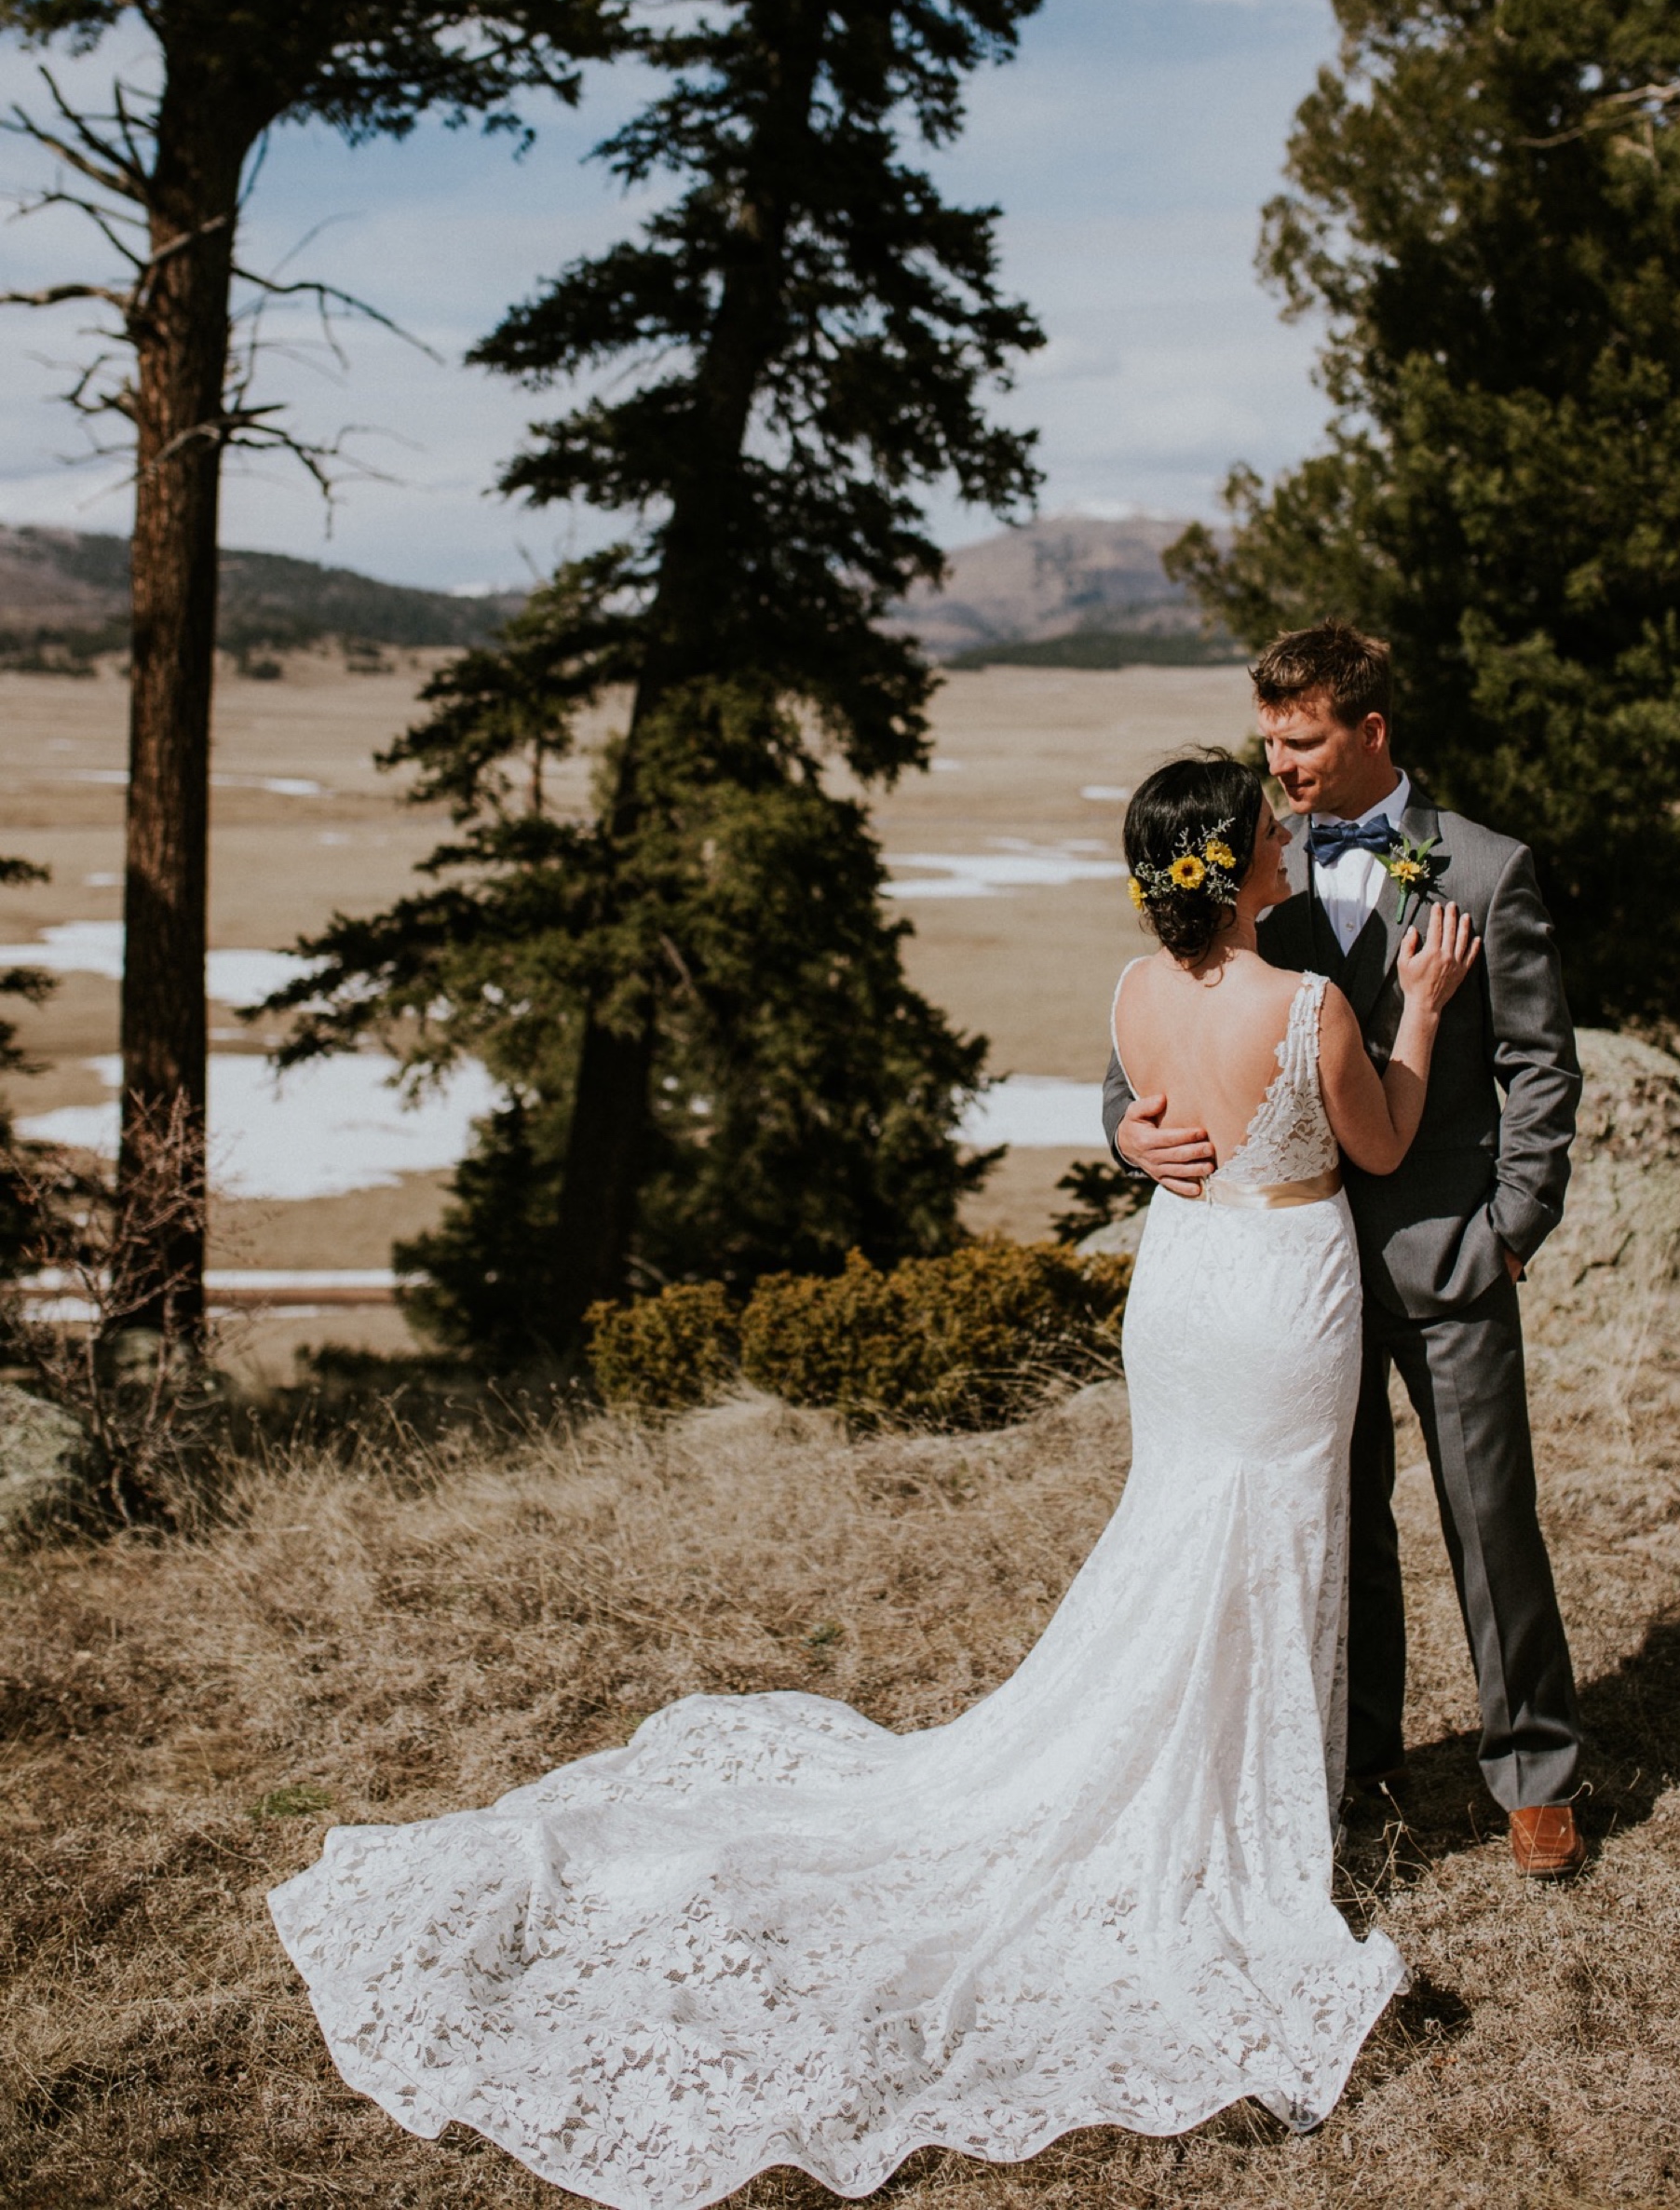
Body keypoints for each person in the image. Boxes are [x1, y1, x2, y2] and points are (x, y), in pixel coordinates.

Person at [270, 749, 1477, 2205]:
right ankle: (1232, 1812)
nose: (1288, 834)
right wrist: (1419, 1005)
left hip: (1182, 1293)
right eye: (1267, 828)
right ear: (1230, 866)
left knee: (1178, 1536)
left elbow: (1152, 1111)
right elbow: (1385, 1135)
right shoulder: (1313, 1006)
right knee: (1266, 1545)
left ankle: (1200, 1774)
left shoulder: (1129, 993)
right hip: (1282, 1292)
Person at [1104, 620, 1586, 1878]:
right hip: (1295, 1281)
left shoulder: (1485, 869)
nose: (1280, 764)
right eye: (1268, 738)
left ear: (1371, 729)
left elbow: (1542, 1066)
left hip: (1447, 1256)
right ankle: (1363, 1763)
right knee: (1340, 1527)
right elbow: (1148, 1039)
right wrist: (1127, 1134)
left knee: (1492, 1520)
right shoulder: (1248, 858)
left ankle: (1534, 1768)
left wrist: (1512, 1230)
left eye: (1302, 739)